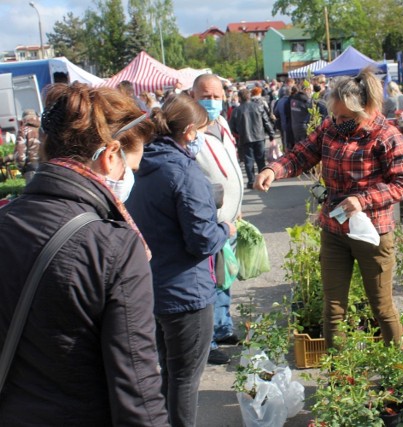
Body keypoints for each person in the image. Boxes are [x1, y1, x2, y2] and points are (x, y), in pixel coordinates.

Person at [0, 82, 169, 426]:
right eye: (129, 169)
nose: (129, 178)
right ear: (110, 156)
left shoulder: (5, 220)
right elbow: (138, 390)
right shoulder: (114, 247)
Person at [254, 66, 403, 349]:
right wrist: (273, 169)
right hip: (333, 231)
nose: (338, 121)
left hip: (372, 234)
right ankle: (339, 376)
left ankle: (396, 371)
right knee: (334, 308)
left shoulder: (386, 136)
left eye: (346, 117)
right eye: (335, 115)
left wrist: (363, 199)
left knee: (382, 307)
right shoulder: (331, 128)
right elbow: (302, 153)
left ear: (365, 108)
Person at [126, 94, 234, 427]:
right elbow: (201, 240)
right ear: (189, 131)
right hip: (186, 292)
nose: (203, 135)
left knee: (168, 370)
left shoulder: (141, 165)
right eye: (202, 129)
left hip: (152, 287)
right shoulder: (185, 172)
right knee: (185, 377)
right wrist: (225, 229)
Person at [191, 74, 245, 365]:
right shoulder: (191, 132)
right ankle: (208, 341)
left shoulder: (222, 124)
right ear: (193, 95)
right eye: (205, 96)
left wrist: (238, 204)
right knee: (210, 281)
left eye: (216, 96)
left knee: (226, 276)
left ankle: (223, 327)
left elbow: (232, 167)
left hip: (229, 218)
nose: (211, 102)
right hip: (211, 222)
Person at [230, 88, 275, 189]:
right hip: (259, 137)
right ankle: (262, 180)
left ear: (240, 98)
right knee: (260, 160)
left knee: (248, 160)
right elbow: (266, 121)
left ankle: (251, 181)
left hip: (245, 138)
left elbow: (231, 127)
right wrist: (271, 134)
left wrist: (239, 132)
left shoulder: (236, 110)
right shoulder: (258, 107)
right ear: (249, 96)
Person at [5, 109, 41, 183]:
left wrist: (22, 169)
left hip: (32, 168)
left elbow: (20, 155)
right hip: (46, 167)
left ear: (24, 119)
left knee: (34, 193)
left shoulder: (23, 130)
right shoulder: (42, 129)